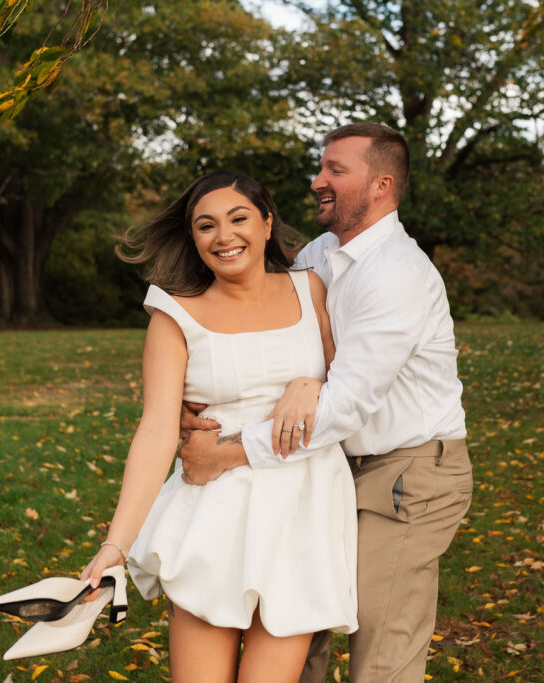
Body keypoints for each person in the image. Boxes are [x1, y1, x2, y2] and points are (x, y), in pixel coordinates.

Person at [178, 123, 474, 682]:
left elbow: (345, 405)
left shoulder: (398, 276)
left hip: (406, 474)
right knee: (293, 625)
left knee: (379, 654)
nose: (318, 181)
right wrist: (192, 402)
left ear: (381, 184)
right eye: (322, 167)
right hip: (324, 467)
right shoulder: (320, 253)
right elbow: (274, 336)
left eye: (336, 170)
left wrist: (227, 452)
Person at [80, 171, 358, 682]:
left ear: (268, 222)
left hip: (306, 505)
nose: (224, 236)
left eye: (239, 219)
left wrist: (312, 386)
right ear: (193, 238)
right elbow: (157, 432)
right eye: (206, 226)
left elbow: (350, 384)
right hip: (215, 509)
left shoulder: (312, 287)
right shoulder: (173, 311)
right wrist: (114, 545)